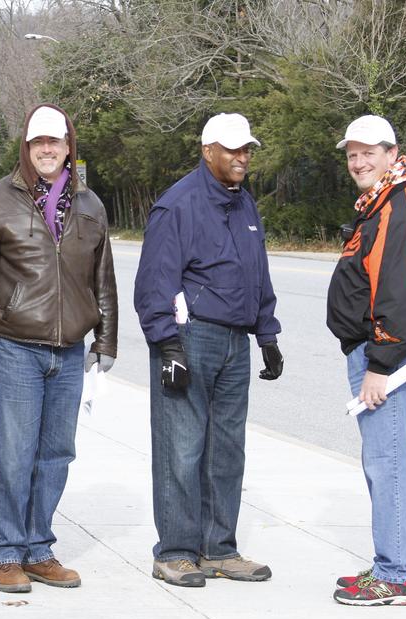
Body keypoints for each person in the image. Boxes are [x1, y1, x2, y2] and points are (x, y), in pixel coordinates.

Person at [0, 103, 118, 593]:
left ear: (68, 146)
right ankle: (4, 553)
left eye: (55, 141)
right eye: (38, 143)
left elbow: (103, 278)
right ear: (26, 149)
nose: (47, 149)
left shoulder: (90, 204)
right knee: (12, 453)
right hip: (14, 347)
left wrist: (106, 338)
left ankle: (38, 548)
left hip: (70, 351)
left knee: (55, 454)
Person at [133, 113, 283, 588]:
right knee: (182, 447)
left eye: (247, 150)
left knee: (226, 451)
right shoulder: (178, 205)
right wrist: (167, 343)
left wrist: (268, 334)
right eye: (233, 149)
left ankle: (219, 548)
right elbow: (155, 280)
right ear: (208, 151)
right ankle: (175, 551)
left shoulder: (244, 205)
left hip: (235, 343)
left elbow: (256, 272)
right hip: (191, 337)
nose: (242, 158)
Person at [328, 115, 406, 606]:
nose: (358, 161)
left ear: (393, 153)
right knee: (388, 459)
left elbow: (402, 294)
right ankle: (392, 565)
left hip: (391, 354)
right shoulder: (380, 204)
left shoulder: (401, 206)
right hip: (381, 350)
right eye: (352, 154)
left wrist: (380, 365)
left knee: (388, 462)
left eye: (368, 152)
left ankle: (397, 576)